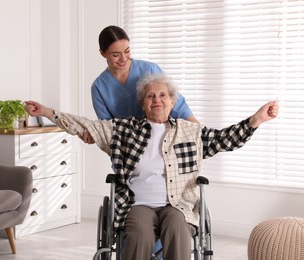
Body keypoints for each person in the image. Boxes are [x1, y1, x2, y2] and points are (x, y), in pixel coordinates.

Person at [25, 73, 279, 260]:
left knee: (178, 229)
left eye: (162, 95)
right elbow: (85, 125)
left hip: (177, 204)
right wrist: (48, 112)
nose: (157, 100)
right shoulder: (124, 129)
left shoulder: (190, 131)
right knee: (137, 234)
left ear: (172, 102)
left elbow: (225, 139)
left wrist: (256, 119)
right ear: (143, 103)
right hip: (137, 203)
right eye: (150, 96)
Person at [80, 25, 198, 144]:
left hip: (161, 142)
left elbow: (176, 104)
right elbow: (107, 128)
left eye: (127, 51)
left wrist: (198, 130)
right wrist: (95, 136)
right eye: (116, 55)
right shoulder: (99, 87)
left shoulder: (150, 69)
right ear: (102, 53)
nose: (123, 59)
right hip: (127, 149)